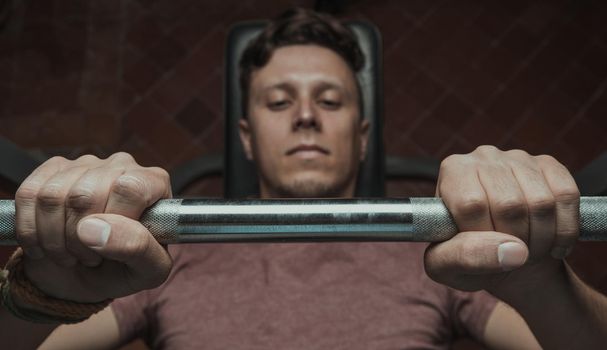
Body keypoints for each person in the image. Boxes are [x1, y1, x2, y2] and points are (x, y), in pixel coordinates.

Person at [1, 8, 606, 349]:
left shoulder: (447, 252)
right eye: (279, 101)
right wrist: (42, 289)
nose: (308, 115)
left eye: (331, 100)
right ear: (246, 135)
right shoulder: (157, 256)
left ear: (362, 136)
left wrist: (543, 285)